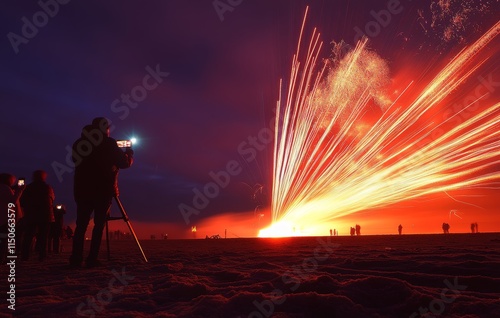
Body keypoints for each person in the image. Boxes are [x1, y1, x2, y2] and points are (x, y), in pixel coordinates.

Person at [69, 118, 133, 268]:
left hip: (82, 190)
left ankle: (76, 259)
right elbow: (123, 163)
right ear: (105, 129)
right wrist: (129, 154)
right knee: (99, 225)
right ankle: (92, 259)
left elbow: (75, 160)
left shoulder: (80, 143)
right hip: (103, 190)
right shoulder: (108, 143)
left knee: (81, 225)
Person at [20, 170, 55, 261]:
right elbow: (52, 199)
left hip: (31, 215)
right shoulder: (47, 188)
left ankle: (25, 255)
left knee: (28, 235)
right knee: (43, 236)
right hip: (45, 215)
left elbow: (22, 201)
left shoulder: (28, 188)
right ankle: (42, 255)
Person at [0, 173, 25, 262]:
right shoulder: (5, 189)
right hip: (6, 218)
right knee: (7, 239)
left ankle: (3, 257)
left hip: (3, 218)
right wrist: (20, 191)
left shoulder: (4, 188)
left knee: (3, 239)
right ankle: (4, 258)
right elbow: (12, 201)